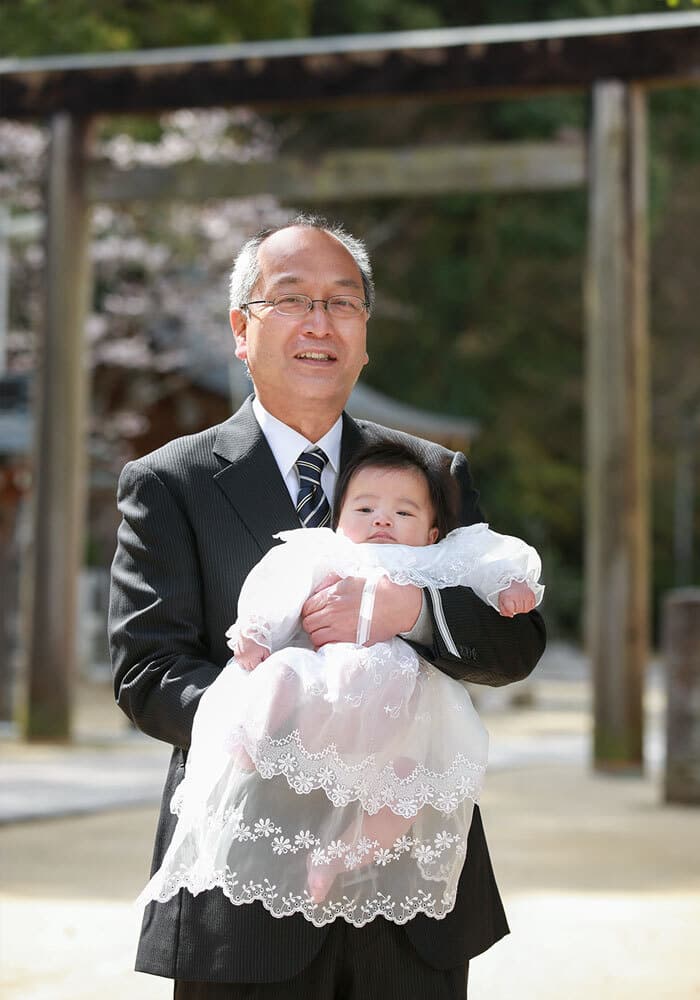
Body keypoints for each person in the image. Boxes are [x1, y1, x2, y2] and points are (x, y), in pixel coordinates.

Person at [109, 214, 546, 998]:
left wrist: (407, 615)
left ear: (367, 336)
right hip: (244, 882)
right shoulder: (169, 481)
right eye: (292, 300)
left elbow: (515, 646)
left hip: (410, 890)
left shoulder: (431, 472)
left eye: (343, 303)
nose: (320, 323)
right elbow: (148, 670)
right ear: (241, 330)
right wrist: (289, 731)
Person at [135, 441, 543, 923]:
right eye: (365, 509)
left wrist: (489, 591)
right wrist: (256, 628)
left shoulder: (434, 539)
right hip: (316, 699)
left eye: (402, 513)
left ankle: (341, 856)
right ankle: (254, 741)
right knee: (281, 674)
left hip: (401, 720)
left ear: (432, 532)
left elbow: (488, 563)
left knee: (405, 789)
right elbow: (273, 584)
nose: (383, 521)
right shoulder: (323, 550)